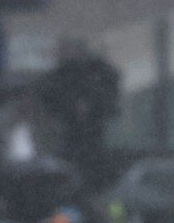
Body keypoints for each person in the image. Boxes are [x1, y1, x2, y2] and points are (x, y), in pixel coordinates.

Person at [38, 41, 121, 191]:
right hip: (72, 158)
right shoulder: (59, 83)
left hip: (95, 162)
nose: (81, 107)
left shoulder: (100, 79)